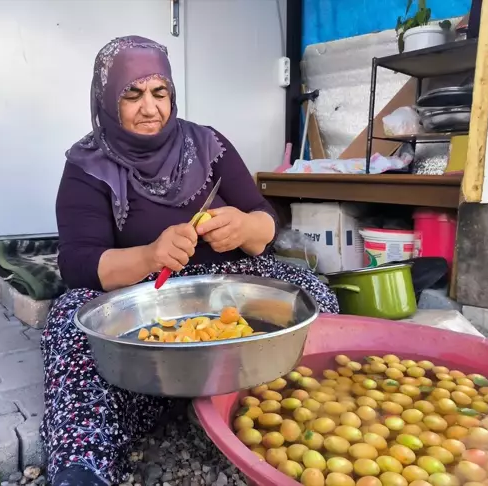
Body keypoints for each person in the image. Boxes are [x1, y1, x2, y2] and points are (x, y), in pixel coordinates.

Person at [42, 35, 339, 485]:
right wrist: (149, 255)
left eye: (160, 93)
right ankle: (84, 464)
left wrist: (244, 226)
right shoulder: (88, 165)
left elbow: (266, 221)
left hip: (225, 288)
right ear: (106, 100)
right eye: (132, 95)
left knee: (312, 294)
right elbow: (79, 264)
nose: (150, 108)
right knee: (70, 324)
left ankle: (276, 404)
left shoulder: (208, 145)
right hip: (144, 295)